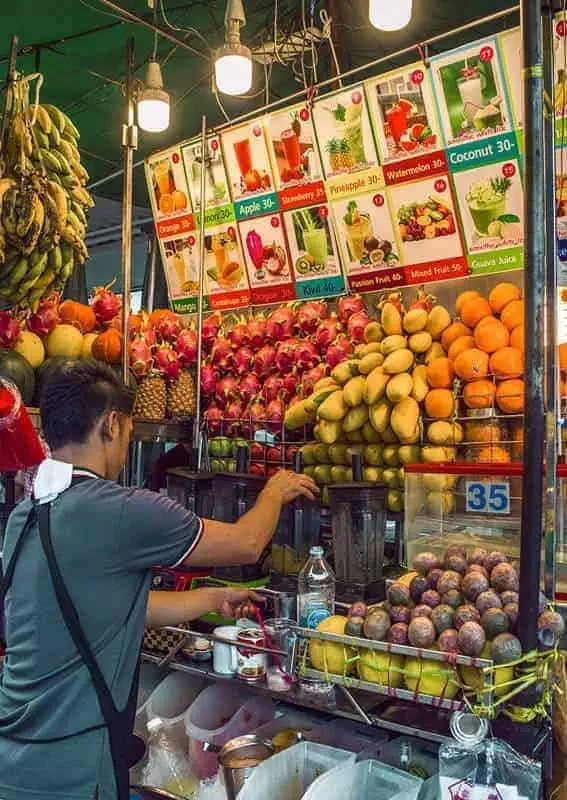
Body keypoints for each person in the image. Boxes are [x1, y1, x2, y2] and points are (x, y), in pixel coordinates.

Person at [0, 360, 317, 800]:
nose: (127, 445)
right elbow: (246, 543)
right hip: (71, 771)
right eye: (129, 432)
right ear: (111, 424)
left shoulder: (26, 513)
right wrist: (274, 490)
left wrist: (208, 598)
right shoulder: (122, 510)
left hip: (12, 760)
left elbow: (100, 607)